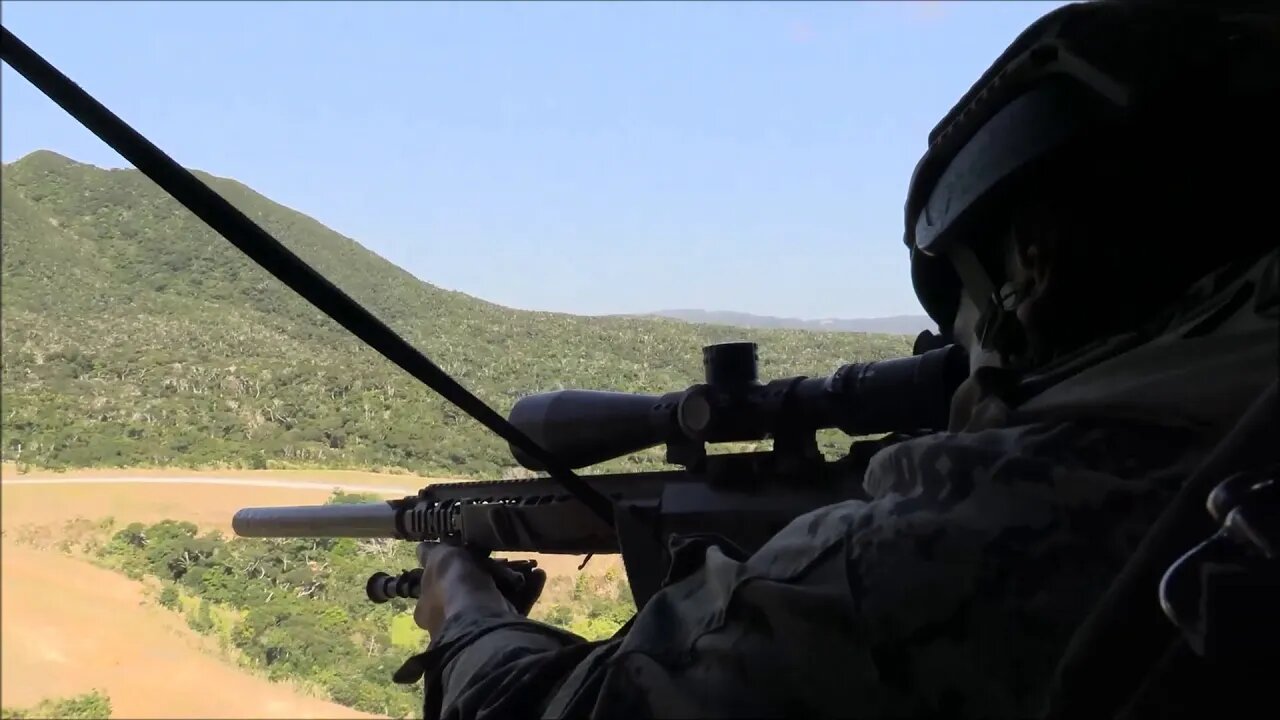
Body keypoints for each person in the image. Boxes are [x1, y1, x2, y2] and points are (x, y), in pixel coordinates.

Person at [395, 2, 1280, 718]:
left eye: (966, 329)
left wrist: (462, 605)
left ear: (1029, 273)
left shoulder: (992, 519)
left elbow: (543, 710)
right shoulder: (1232, 435)